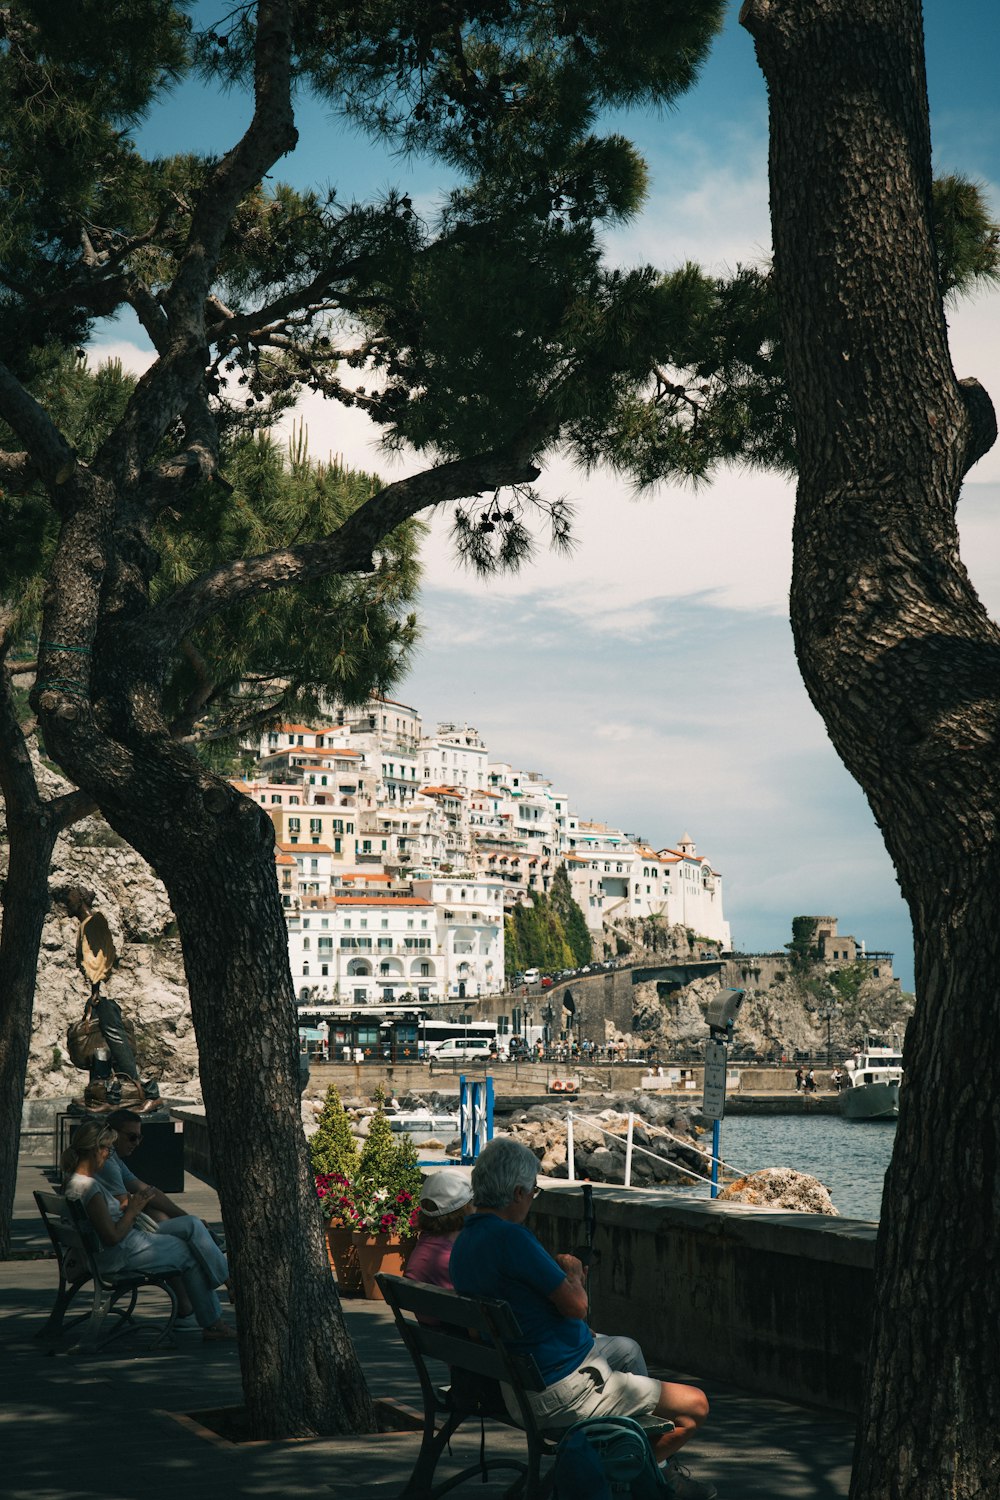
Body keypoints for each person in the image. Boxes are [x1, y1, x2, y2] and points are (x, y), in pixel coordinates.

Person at [449, 1138, 715, 1500]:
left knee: (626, 1348)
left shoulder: (465, 1241)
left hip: (520, 1380)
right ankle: (634, 1472)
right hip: (562, 1392)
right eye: (533, 1192)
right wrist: (573, 1271)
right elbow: (576, 1306)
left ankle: (642, 1467)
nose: (531, 1199)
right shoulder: (512, 1239)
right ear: (516, 1193)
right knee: (695, 1405)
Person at [62, 1120, 234, 1340]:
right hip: (120, 1254)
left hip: (112, 1251)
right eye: (108, 1149)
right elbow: (112, 1237)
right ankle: (213, 1322)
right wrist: (133, 1210)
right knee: (190, 1253)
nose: (109, 1155)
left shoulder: (73, 1183)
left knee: (192, 1224)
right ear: (97, 1149)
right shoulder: (90, 1188)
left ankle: (224, 1288)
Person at [404, 1170, 475, 1296]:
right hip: (456, 1314)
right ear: (466, 1208)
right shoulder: (452, 1260)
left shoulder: (425, 1244)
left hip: (432, 1313)